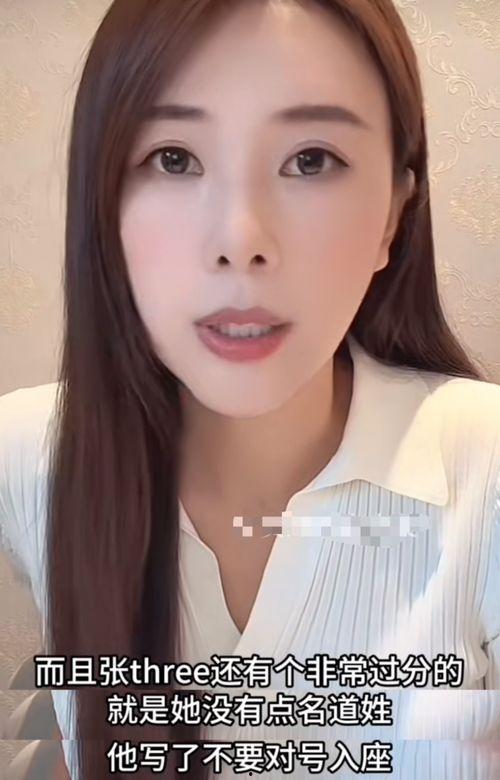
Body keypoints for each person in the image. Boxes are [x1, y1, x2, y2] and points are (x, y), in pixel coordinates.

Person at [1, 0, 500, 777]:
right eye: (173, 159)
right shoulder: (29, 453)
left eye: (311, 160)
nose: (240, 240)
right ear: (104, 205)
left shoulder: (486, 462)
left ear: (393, 218)